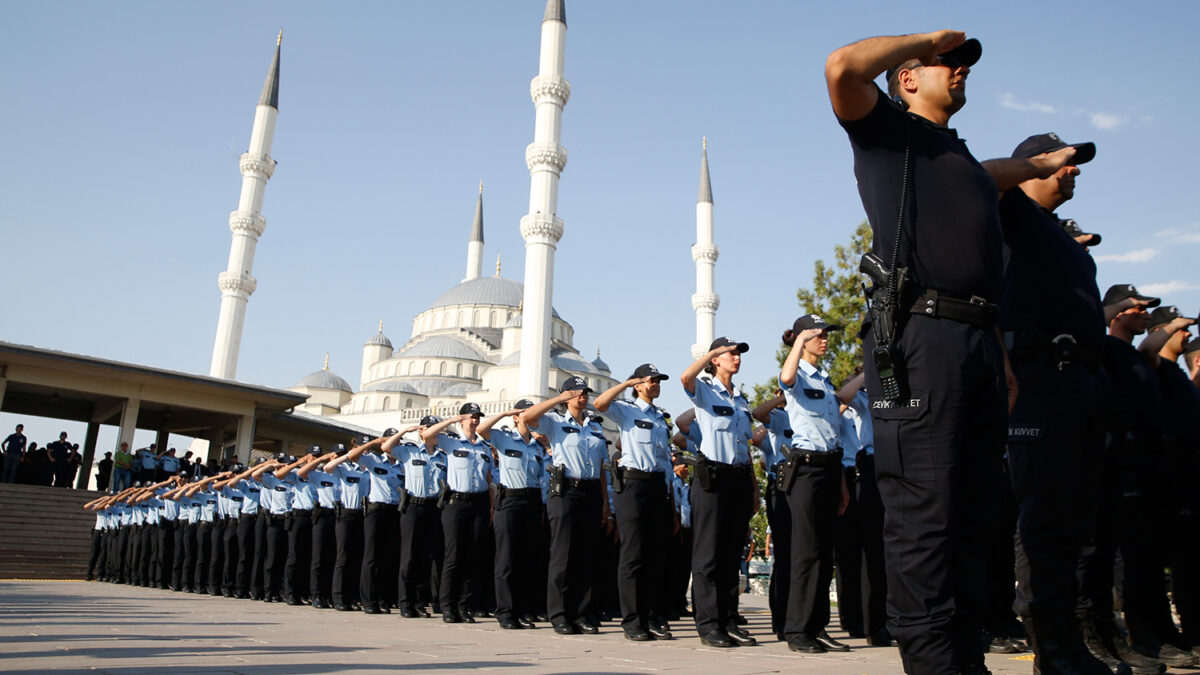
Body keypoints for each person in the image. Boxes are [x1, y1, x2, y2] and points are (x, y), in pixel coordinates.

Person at [824, 30, 1081, 674]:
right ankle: (936, 663)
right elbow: (840, 69)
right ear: (907, 78)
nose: (961, 69)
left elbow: (988, 175)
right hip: (921, 338)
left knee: (974, 515)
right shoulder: (888, 134)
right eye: (949, 63)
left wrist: (1037, 168)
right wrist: (928, 38)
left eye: (964, 63)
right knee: (925, 517)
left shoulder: (953, 155)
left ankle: (967, 657)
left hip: (976, 341)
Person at [989, 130, 1118, 673]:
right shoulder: (1010, 213)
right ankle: (1052, 648)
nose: (1074, 171)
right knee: (1043, 523)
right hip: (1040, 382)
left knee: (1078, 526)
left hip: (1081, 388)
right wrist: (1035, 164)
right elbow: (978, 179)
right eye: (1064, 163)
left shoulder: (1057, 235)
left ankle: (1075, 641)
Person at [777, 315, 852, 654]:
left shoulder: (824, 378)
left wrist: (842, 486)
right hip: (804, 469)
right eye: (818, 335)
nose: (824, 340)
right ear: (802, 339)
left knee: (824, 553)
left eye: (826, 335)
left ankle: (818, 625)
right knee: (805, 553)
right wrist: (796, 342)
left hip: (829, 466)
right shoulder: (796, 374)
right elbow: (786, 376)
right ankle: (797, 630)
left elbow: (834, 435)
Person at [679, 337, 758, 649]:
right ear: (715, 359)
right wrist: (710, 353)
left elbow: (746, 448)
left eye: (738, 353)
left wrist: (753, 488)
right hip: (712, 477)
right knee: (709, 555)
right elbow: (685, 378)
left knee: (730, 554)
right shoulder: (705, 390)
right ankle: (709, 623)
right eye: (730, 353)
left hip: (738, 477)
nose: (736, 358)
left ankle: (728, 619)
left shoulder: (741, 399)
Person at [594, 364, 677, 642]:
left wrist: (671, 495)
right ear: (638, 385)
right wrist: (626, 383)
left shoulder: (660, 418)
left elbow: (666, 459)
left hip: (657, 485)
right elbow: (600, 403)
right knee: (633, 553)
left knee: (655, 554)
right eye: (651, 380)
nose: (656, 384)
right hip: (633, 484)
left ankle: (651, 615)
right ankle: (632, 620)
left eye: (658, 380)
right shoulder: (627, 410)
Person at [524, 376, 613, 635]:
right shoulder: (554, 423)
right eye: (576, 393)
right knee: (563, 555)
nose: (582, 396)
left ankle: (582, 612)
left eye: (585, 392)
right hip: (565, 492)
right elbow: (529, 418)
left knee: (586, 556)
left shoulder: (595, 427)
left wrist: (606, 502)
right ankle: (560, 613)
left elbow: (601, 467)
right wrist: (559, 398)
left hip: (591, 492)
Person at [477, 400, 547, 630]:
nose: (527, 415)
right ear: (516, 417)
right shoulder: (504, 438)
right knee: (506, 559)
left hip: (533, 499)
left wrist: (547, 445)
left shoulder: (538, 445)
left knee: (528, 559)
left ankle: (523, 610)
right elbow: (481, 431)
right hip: (510, 500)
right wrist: (505, 413)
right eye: (522, 412)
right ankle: (506, 611)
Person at [422, 404, 495, 623]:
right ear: (463, 420)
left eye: (477, 417)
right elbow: (427, 434)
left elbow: (489, 480)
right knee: (453, 557)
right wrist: (453, 419)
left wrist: (491, 508)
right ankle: (448, 606)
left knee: (472, 557)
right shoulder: (451, 442)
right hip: (456, 504)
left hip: (479, 504)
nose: (474, 421)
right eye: (470, 417)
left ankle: (465, 606)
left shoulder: (485, 447)